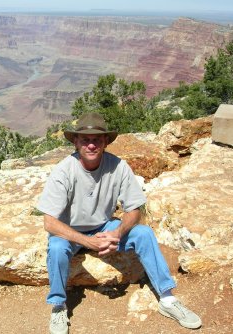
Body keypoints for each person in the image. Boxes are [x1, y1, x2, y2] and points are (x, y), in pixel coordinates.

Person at [36, 112, 201, 334]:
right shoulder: (64, 171)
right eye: (85, 139)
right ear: (75, 142)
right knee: (56, 247)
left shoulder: (118, 166)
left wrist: (119, 232)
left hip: (105, 227)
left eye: (97, 140)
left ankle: (167, 299)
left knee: (143, 234)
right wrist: (88, 242)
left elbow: (134, 210)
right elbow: (50, 223)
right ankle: (58, 306)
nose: (91, 145)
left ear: (105, 142)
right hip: (71, 231)